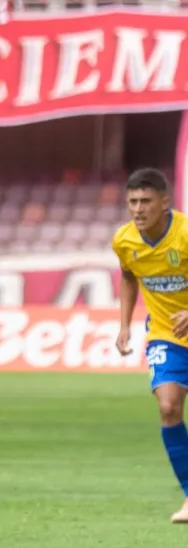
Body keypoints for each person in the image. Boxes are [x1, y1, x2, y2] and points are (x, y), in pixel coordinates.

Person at [114, 168, 188, 523]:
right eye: (132, 202)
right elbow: (129, 275)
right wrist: (125, 324)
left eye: (145, 201)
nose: (138, 209)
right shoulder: (125, 241)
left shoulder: (186, 234)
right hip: (166, 334)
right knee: (169, 407)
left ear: (164, 202)